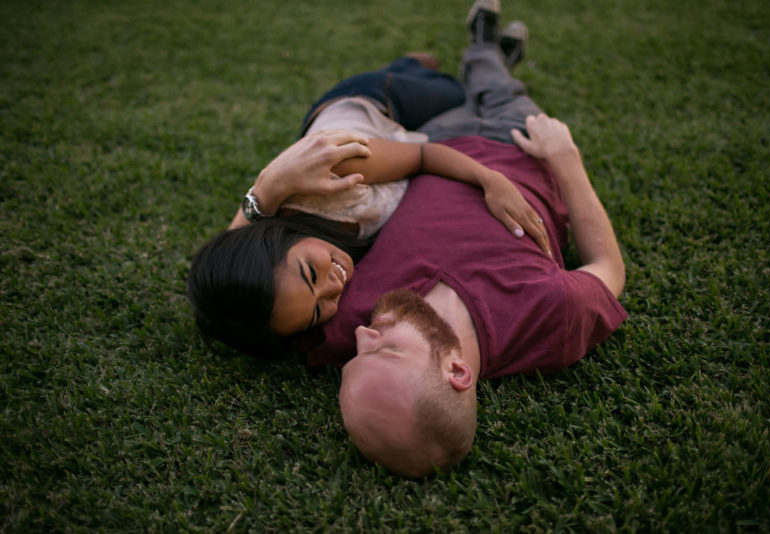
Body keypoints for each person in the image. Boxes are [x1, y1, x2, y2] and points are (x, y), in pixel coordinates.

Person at [300, 0, 627, 478]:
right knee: (502, 91)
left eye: (354, 357)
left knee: (464, 88)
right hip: (517, 144)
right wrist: (567, 157)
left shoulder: (350, 313)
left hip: (432, 143)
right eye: (385, 349)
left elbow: (231, 295)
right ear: (457, 372)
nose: (362, 334)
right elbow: (608, 267)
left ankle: (487, 51)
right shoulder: (548, 316)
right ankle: (485, 47)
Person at [188, 31, 551, 357]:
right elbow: (228, 271)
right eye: (318, 311)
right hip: (384, 143)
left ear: (274, 237)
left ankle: (410, 64)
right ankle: (477, 57)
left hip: (373, 102)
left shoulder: (336, 177)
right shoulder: (283, 287)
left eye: (311, 275)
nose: (332, 288)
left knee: (452, 91)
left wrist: (491, 180)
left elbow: (425, 156)